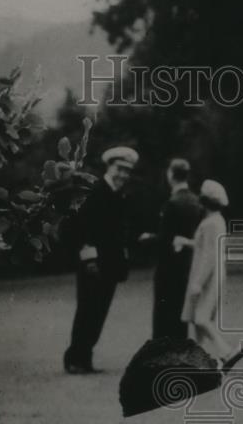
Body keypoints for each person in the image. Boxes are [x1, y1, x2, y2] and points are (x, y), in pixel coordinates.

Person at [63, 146, 138, 374]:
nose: (123, 175)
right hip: (93, 263)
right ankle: (75, 358)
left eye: (127, 171)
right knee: (87, 310)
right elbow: (81, 226)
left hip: (111, 264)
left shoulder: (118, 194)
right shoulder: (95, 190)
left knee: (99, 312)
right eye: (119, 169)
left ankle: (85, 359)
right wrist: (89, 259)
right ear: (109, 166)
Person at [178, 179, 233, 363]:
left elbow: (210, 255)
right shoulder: (215, 221)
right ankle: (196, 357)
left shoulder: (211, 223)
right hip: (210, 274)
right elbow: (204, 246)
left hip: (207, 276)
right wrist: (186, 242)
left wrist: (198, 283)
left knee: (201, 318)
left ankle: (225, 350)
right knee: (196, 319)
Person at [151, 158, 203, 339]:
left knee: (164, 313)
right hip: (189, 265)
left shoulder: (172, 203)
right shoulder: (196, 201)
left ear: (170, 175)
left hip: (168, 267)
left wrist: (148, 239)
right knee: (181, 312)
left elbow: (165, 240)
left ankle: (162, 355)